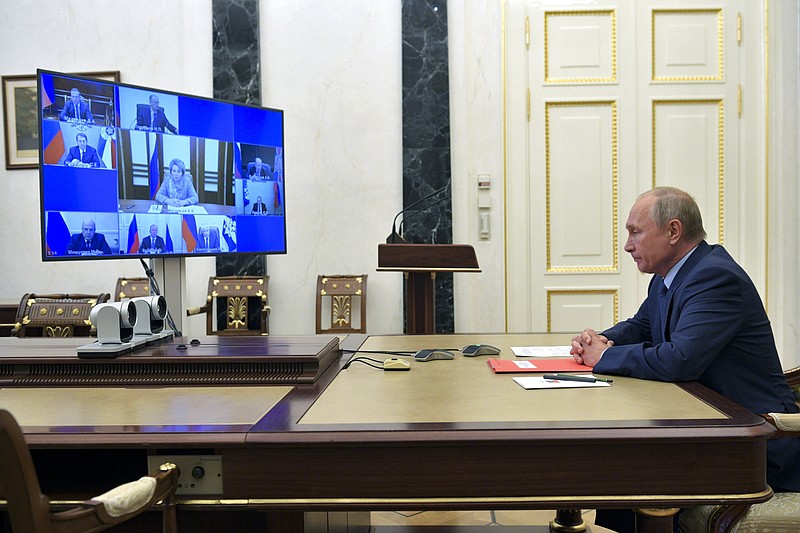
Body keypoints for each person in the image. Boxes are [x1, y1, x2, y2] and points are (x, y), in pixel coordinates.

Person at [570, 187, 800, 533]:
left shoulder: (714, 277)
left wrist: (605, 356)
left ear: (673, 231)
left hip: (754, 442)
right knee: (617, 456)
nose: (627, 245)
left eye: (636, 232)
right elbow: (642, 326)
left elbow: (680, 359)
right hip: (709, 426)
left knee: (624, 460)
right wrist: (602, 339)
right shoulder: (672, 276)